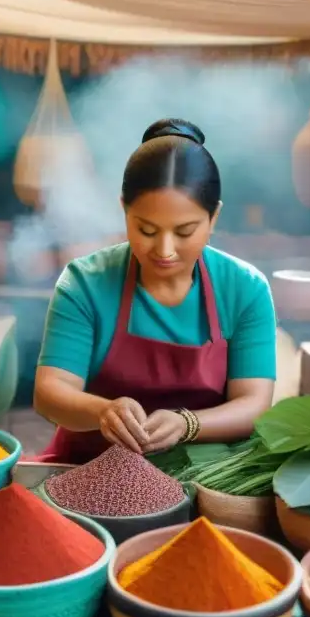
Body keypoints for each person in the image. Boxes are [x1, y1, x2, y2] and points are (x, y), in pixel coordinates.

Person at [32, 118, 278, 464]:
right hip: (86, 467)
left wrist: (188, 424)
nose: (164, 250)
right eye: (146, 230)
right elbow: (50, 391)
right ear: (124, 211)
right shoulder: (85, 283)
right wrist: (104, 412)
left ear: (214, 218)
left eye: (184, 231)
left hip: (203, 475)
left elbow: (253, 403)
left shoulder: (245, 289)